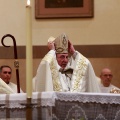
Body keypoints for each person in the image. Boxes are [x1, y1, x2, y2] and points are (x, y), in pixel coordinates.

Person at [34, 33, 101, 92]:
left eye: (67, 57)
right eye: (62, 57)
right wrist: (52, 51)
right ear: (55, 58)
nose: (65, 60)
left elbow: (85, 65)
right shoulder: (49, 72)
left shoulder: (71, 72)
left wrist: (73, 52)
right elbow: (45, 64)